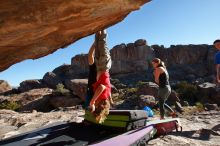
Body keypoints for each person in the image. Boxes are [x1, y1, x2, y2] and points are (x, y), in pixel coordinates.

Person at [88, 29, 112, 123]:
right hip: (104, 65)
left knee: (98, 40)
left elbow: (108, 89)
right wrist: (92, 102)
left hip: (100, 66)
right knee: (102, 42)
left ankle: (98, 27)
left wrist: (111, 99)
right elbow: (102, 87)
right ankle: (104, 25)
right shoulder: (102, 97)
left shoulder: (105, 97)